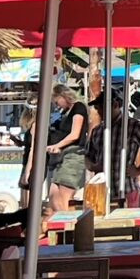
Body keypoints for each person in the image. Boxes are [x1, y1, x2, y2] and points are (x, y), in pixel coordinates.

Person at [46, 82, 89, 213]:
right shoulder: (64, 113)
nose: (56, 105)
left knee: (64, 196)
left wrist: (56, 145)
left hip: (74, 155)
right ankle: (62, 223)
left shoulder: (78, 108)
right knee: (53, 193)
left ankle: (67, 228)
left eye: (56, 101)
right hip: (62, 157)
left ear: (63, 96)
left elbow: (75, 134)